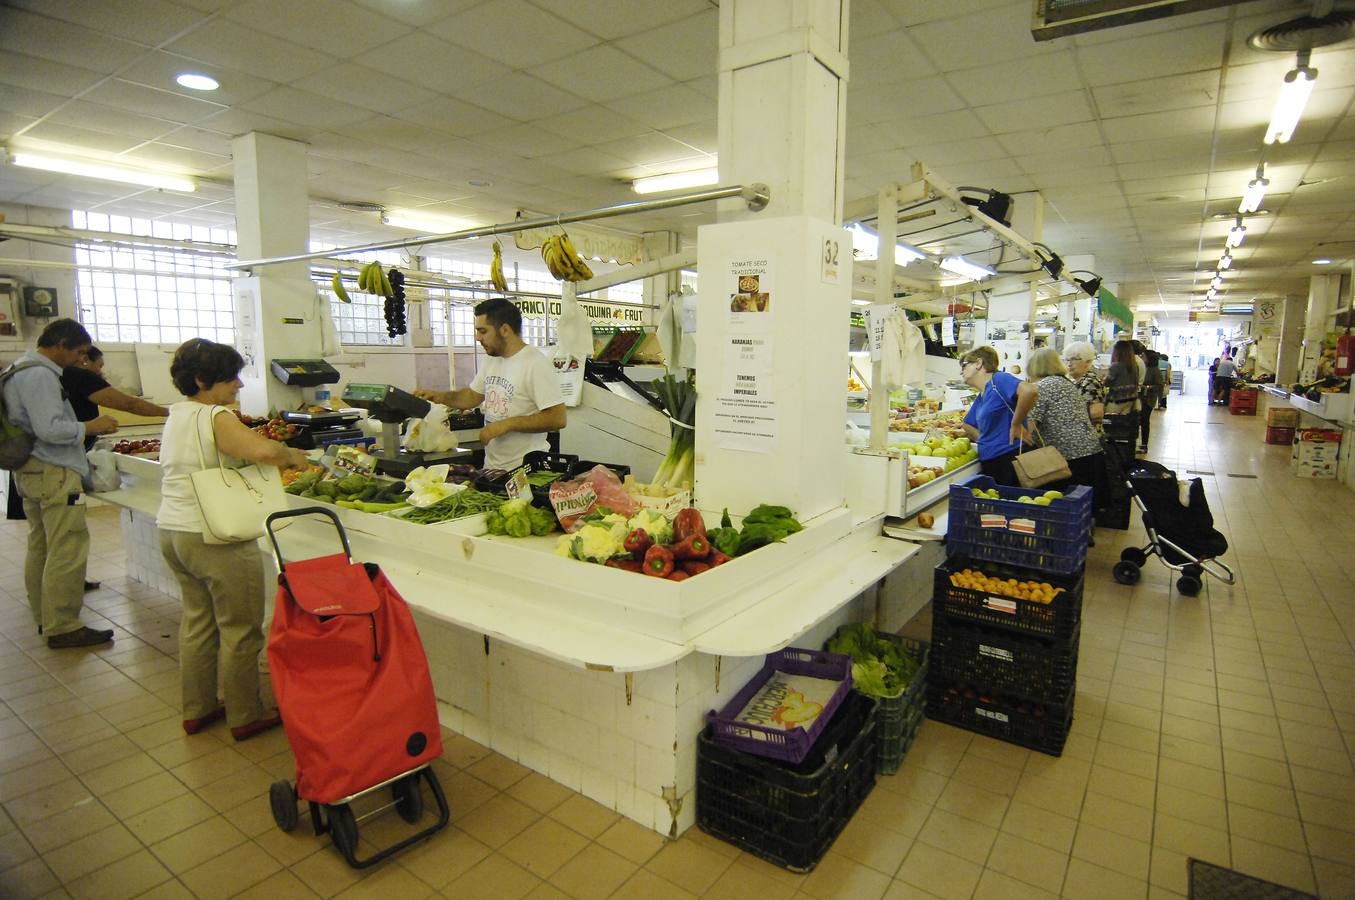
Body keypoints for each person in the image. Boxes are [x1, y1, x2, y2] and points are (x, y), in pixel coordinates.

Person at [157, 339, 310, 741]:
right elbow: (261, 451)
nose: (238, 386)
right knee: (241, 628)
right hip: (214, 536)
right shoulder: (214, 416)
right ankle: (245, 714)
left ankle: (198, 709)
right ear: (202, 380)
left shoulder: (177, 414)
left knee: (197, 622)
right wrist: (293, 456)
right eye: (230, 379)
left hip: (173, 530)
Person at [2, 319, 120, 647]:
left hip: (30, 469)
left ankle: (45, 616)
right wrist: (90, 426)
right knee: (67, 546)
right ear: (61, 345)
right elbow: (51, 428)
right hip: (53, 469)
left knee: (41, 544)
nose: (80, 360)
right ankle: (63, 625)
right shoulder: (40, 374)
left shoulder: (18, 368)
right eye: (79, 353)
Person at [414, 298, 566, 471]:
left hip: (526, 470)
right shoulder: (492, 359)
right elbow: (472, 396)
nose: (478, 337)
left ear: (505, 330)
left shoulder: (535, 363)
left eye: (483, 331)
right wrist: (440, 396)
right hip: (493, 469)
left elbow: (557, 418)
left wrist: (506, 424)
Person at [1009, 347, 1105, 510]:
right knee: (1084, 506)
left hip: (1066, 457)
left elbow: (1030, 427)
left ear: (1033, 366)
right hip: (1089, 450)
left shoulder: (1041, 387)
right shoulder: (1067, 383)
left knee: (1063, 506)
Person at [63, 345, 170, 451]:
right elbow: (129, 404)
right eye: (99, 366)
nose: (100, 372)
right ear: (85, 360)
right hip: (69, 449)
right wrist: (170, 412)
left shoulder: (62, 374)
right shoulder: (81, 376)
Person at [959, 346, 1029, 486]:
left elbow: (1029, 391)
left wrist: (1016, 424)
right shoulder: (982, 395)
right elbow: (967, 424)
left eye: (964, 365)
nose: (961, 371)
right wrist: (986, 441)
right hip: (993, 461)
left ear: (978, 363)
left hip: (1010, 458)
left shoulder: (998, 380)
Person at [1063, 341, 1107, 435]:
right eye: (1067, 359)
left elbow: (1096, 414)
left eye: (1074, 359)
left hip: (1089, 437)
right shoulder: (1079, 381)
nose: (1069, 363)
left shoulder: (1090, 381)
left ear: (1087, 362)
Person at [1138, 349, 1163, 453]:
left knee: (1144, 421)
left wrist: (1146, 387)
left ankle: (1144, 445)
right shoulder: (1143, 368)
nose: (1141, 358)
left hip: (1148, 399)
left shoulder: (1155, 370)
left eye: (1144, 356)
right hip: (1141, 398)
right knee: (1141, 421)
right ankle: (1142, 444)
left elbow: (1159, 385)